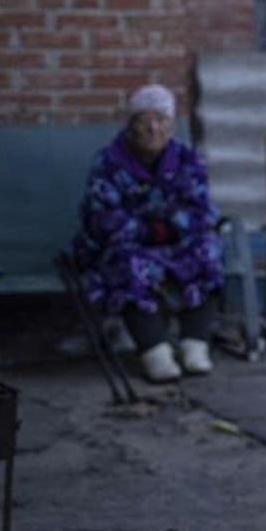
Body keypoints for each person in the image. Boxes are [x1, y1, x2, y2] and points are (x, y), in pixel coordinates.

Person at [67, 84, 225, 384]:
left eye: (162, 119)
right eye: (144, 120)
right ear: (130, 125)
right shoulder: (109, 162)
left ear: (171, 125)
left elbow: (202, 212)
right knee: (129, 264)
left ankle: (195, 344)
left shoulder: (187, 159)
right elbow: (102, 219)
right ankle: (156, 351)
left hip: (174, 243)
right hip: (127, 245)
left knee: (209, 249)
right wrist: (155, 230)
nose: (153, 128)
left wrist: (163, 228)